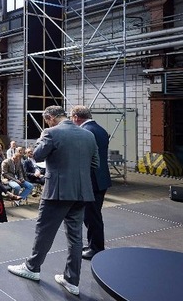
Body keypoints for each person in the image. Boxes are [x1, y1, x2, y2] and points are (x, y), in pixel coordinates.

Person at [7, 106, 99, 296]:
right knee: (75, 238)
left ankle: (32, 268)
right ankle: (72, 280)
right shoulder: (88, 135)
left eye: (46, 121)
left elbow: (38, 155)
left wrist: (42, 137)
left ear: (50, 118)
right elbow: (95, 164)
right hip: (82, 192)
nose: (46, 124)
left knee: (44, 230)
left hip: (57, 192)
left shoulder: (51, 132)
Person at [71, 105, 112, 260]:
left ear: (76, 117)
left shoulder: (85, 132)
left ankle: (96, 248)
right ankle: (93, 244)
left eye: (71, 118)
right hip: (101, 179)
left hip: (92, 180)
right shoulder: (100, 129)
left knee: (91, 216)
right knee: (93, 215)